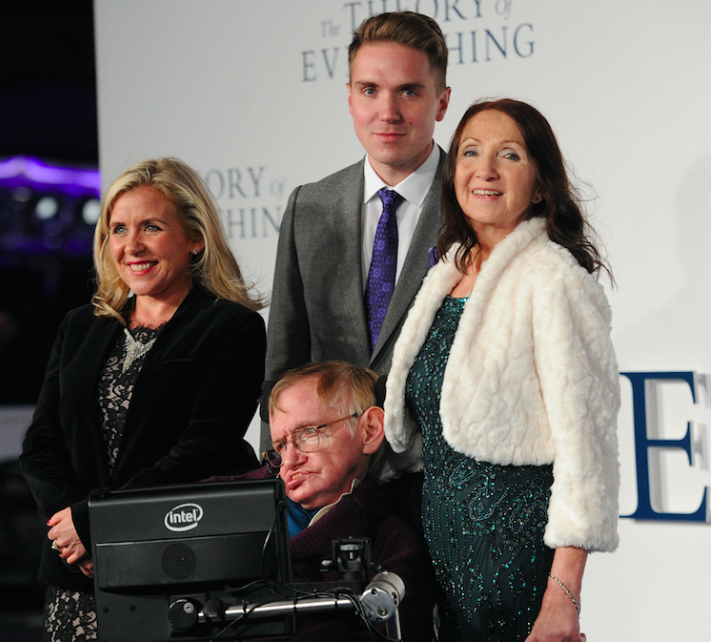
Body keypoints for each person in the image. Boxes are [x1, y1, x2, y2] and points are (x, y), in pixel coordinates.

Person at [383, 100, 621, 642]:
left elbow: (588, 451)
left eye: (508, 155)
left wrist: (563, 595)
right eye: (470, 152)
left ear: (539, 185)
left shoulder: (554, 281)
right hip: (438, 554)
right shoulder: (446, 272)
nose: (484, 169)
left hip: (514, 561)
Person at [19, 157, 267, 642]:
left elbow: (204, 448)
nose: (131, 246)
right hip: (79, 576)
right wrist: (73, 528)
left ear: (195, 238)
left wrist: (96, 522)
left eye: (150, 227)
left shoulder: (231, 328)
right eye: (118, 229)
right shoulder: (80, 326)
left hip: (176, 564)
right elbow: (41, 444)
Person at [261, 11, 452, 454]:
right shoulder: (308, 206)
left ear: (441, 102)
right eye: (370, 90)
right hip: (335, 482)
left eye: (408, 91)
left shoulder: (474, 203)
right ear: (350, 98)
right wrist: (276, 479)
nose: (388, 112)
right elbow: (283, 368)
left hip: (447, 481)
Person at [206, 361, 435, 642]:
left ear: (370, 430)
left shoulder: (393, 544)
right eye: (281, 445)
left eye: (309, 432)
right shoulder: (221, 504)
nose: (289, 461)